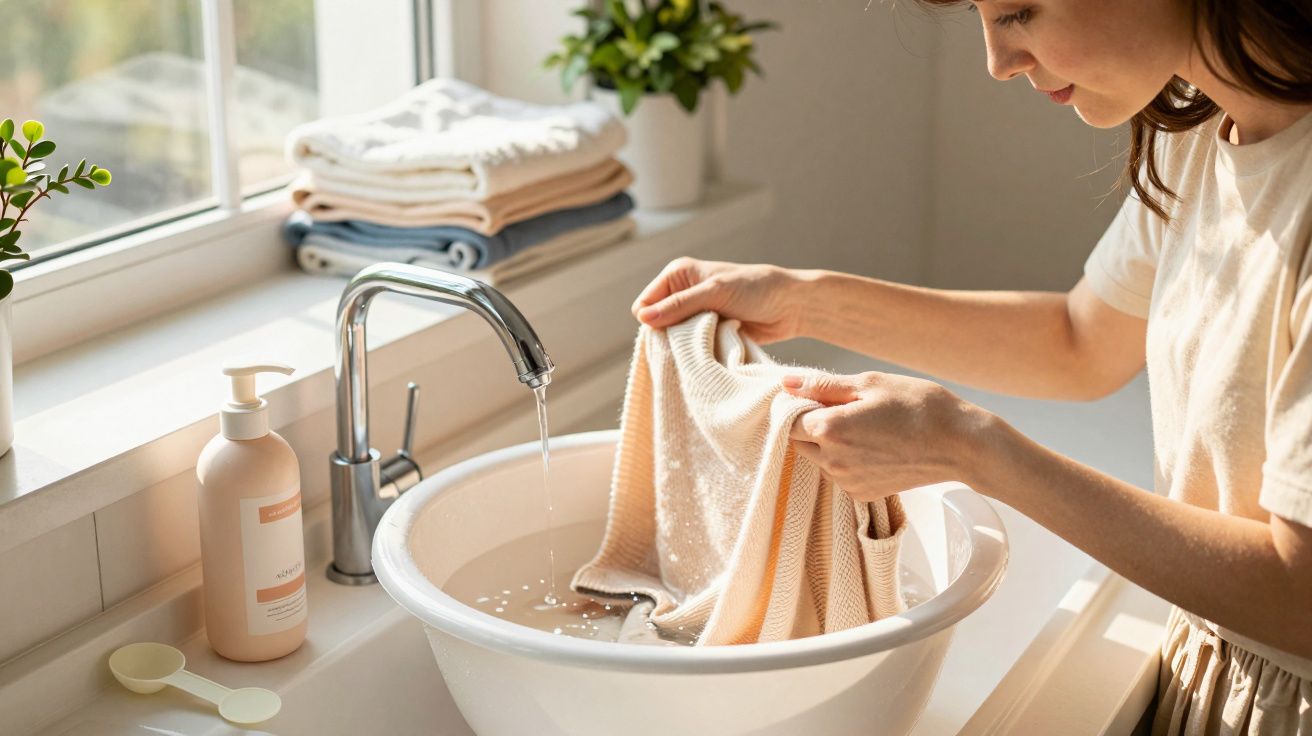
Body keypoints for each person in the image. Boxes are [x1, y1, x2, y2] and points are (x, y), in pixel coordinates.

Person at [631, 0, 1312, 732]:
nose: (997, 62)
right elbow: (1079, 341)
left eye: (1019, 10)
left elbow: (1300, 596)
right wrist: (803, 300)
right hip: (1212, 678)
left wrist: (969, 447)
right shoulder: (1202, 130)